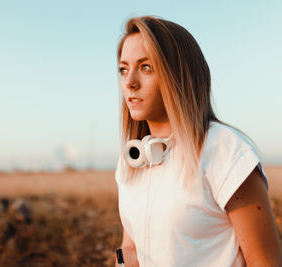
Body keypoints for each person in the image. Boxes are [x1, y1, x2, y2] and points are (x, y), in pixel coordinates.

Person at [114, 16, 282, 267]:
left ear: (178, 74)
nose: (130, 82)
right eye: (123, 69)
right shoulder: (132, 159)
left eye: (146, 66)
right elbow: (130, 247)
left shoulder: (223, 150)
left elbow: (265, 262)